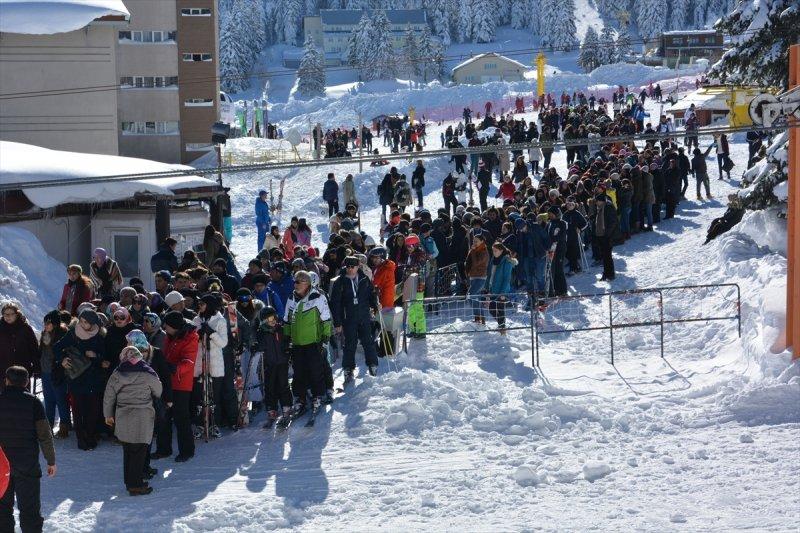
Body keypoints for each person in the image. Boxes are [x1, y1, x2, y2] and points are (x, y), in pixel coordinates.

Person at [0, 366, 56, 533]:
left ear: (7, 381)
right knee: (30, 510)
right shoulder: (34, 402)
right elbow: (45, 435)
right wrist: (51, 460)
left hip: (1, 466)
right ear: (26, 382)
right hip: (28, 464)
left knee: (2, 510)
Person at [103, 346, 162, 496]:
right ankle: (135, 485)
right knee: (139, 450)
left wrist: (108, 415)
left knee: (128, 449)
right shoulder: (148, 372)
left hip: (123, 415)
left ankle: (129, 481)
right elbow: (158, 390)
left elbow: (109, 396)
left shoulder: (117, 373)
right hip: (143, 416)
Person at [53, 309, 106, 450]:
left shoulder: (99, 336)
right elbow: (57, 348)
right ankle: (81, 439)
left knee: (92, 410)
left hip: (94, 378)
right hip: (76, 376)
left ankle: (90, 436)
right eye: (81, 321)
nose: (83, 324)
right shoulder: (72, 333)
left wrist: (95, 356)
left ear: (93, 324)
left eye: (86, 322)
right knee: (77, 410)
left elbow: (105, 359)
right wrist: (62, 359)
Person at [283, 271, 331, 414]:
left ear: (307, 283)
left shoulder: (318, 297)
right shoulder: (291, 297)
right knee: (299, 373)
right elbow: (286, 319)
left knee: (316, 371)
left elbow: (326, 319)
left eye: (299, 282)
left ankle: (318, 396)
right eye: (295, 281)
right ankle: (300, 398)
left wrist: (325, 339)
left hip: (313, 342)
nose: (295, 284)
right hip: (297, 343)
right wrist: (286, 338)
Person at [330, 256, 380, 381]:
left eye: (353, 266)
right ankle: (348, 369)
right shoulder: (340, 282)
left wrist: (375, 303)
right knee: (350, 344)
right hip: (349, 318)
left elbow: (370, 294)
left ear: (358, 266)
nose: (350, 269)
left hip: (364, 316)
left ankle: (372, 365)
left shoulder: (364, 278)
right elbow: (335, 304)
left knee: (368, 341)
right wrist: (337, 322)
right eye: (348, 266)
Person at [159, 311, 198, 462]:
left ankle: (187, 451)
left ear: (173, 326)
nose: (164, 327)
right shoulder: (170, 336)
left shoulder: (190, 337)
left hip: (181, 383)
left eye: (166, 325)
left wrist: (174, 368)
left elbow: (189, 362)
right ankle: (163, 449)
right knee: (163, 416)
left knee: (181, 418)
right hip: (167, 381)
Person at [193, 294, 228, 437]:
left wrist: (211, 333)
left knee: (214, 396)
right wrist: (198, 335)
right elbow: (192, 340)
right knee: (200, 396)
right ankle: (201, 425)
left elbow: (223, 343)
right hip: (200, 364)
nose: (200, 306)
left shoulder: (220, 320)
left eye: (202, 303)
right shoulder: (197, 319)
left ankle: (214, 424)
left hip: (215, 364)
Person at [38, 311, 71, 437]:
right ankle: (48, 427)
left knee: (61, 399)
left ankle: (64, 427)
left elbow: (64, 353)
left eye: (49, 322)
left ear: (55, 323)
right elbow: (41, 352)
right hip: (45, 371)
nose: (46, 325)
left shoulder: (63, 334)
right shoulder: (44, 334)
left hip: (58, 372)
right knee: (49, 400)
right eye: (45, 322)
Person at [0, 303, 39, 383]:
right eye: (6, 314)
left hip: (22, 371)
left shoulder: (25, 328)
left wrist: (36, 367)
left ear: (17, 314)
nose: (8, 316)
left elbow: (34, 349)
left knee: (21, 394)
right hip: (3, 371)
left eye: (11, 314)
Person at [484, 243, 516, 333]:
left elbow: (507, 278)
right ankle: (502, 326)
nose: (494, 253)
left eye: (495, 251)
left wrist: (503, 293)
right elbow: (489, 275)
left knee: (500, 309)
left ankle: (502, 328)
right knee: (492, 309)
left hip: (502, 290)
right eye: (493, 251)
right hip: (493, 289)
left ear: (501, 251)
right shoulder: (493, 259)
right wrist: (487, 288)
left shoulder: (507, 261)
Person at [593, 194, 618, 281]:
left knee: (607, 256)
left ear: (601, 201)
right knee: (604, 256)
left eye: (597, 201)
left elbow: (613, 222)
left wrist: (607, 234)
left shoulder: (608, 207)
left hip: (606, 236)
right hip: (600, 235)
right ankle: (606, 273)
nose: (596, 203)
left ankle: (610, 274)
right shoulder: (600, 208)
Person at [465, 233, 489, 324]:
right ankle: (479, 318)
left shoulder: (484, 251)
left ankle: (480, 318)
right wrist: (471, 251)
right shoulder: (475, 249)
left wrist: (473, 251)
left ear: (482, 241)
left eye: (476, 241)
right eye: (473, 241)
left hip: (481, 277)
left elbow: (475, 263)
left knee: (471, 296)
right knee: (474, 297)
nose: (474, 242)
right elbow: (468, 260)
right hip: (473, 276)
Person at [546, 206, 568, 297]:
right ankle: (553, 289)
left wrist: (553, 239)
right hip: (551, 249)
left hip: (559, 249)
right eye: (549, 214)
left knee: (559, 269)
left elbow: (561, 236)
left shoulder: (562, 223)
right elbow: (546, 234)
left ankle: (562, 290)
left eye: (551, 214)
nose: (549, 215)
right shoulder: (549, 223)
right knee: (551, 269)